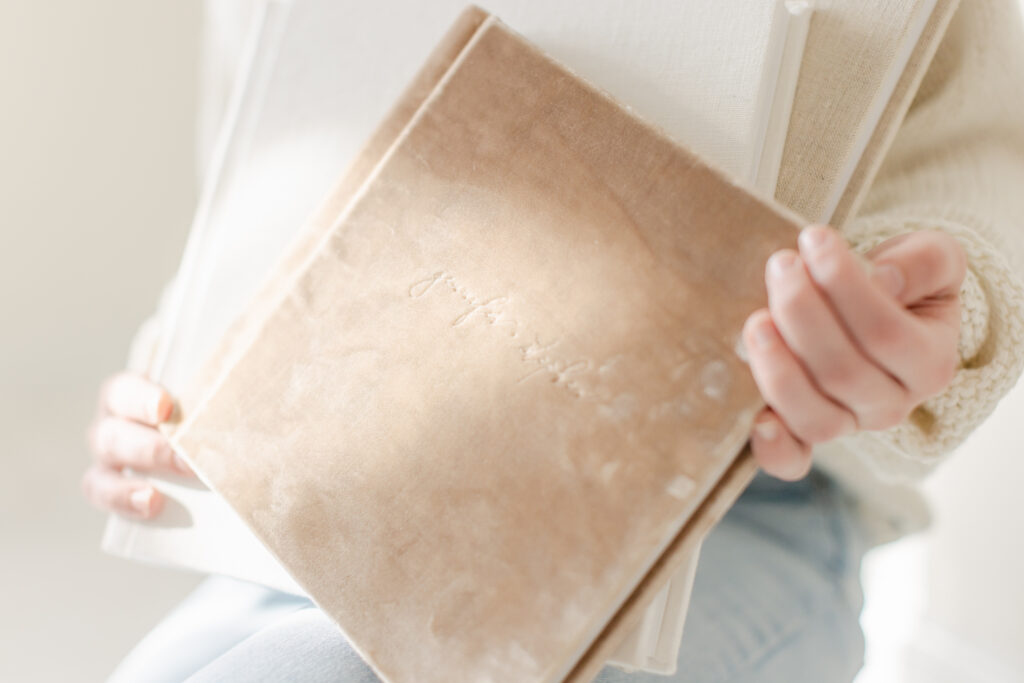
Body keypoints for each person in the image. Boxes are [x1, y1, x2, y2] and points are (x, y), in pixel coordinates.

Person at [82, 1, 1024, 680]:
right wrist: (188, 365)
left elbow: (976, 160)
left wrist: (895, 318)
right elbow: (281, 136)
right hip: (342, 480)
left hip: (732, 507)